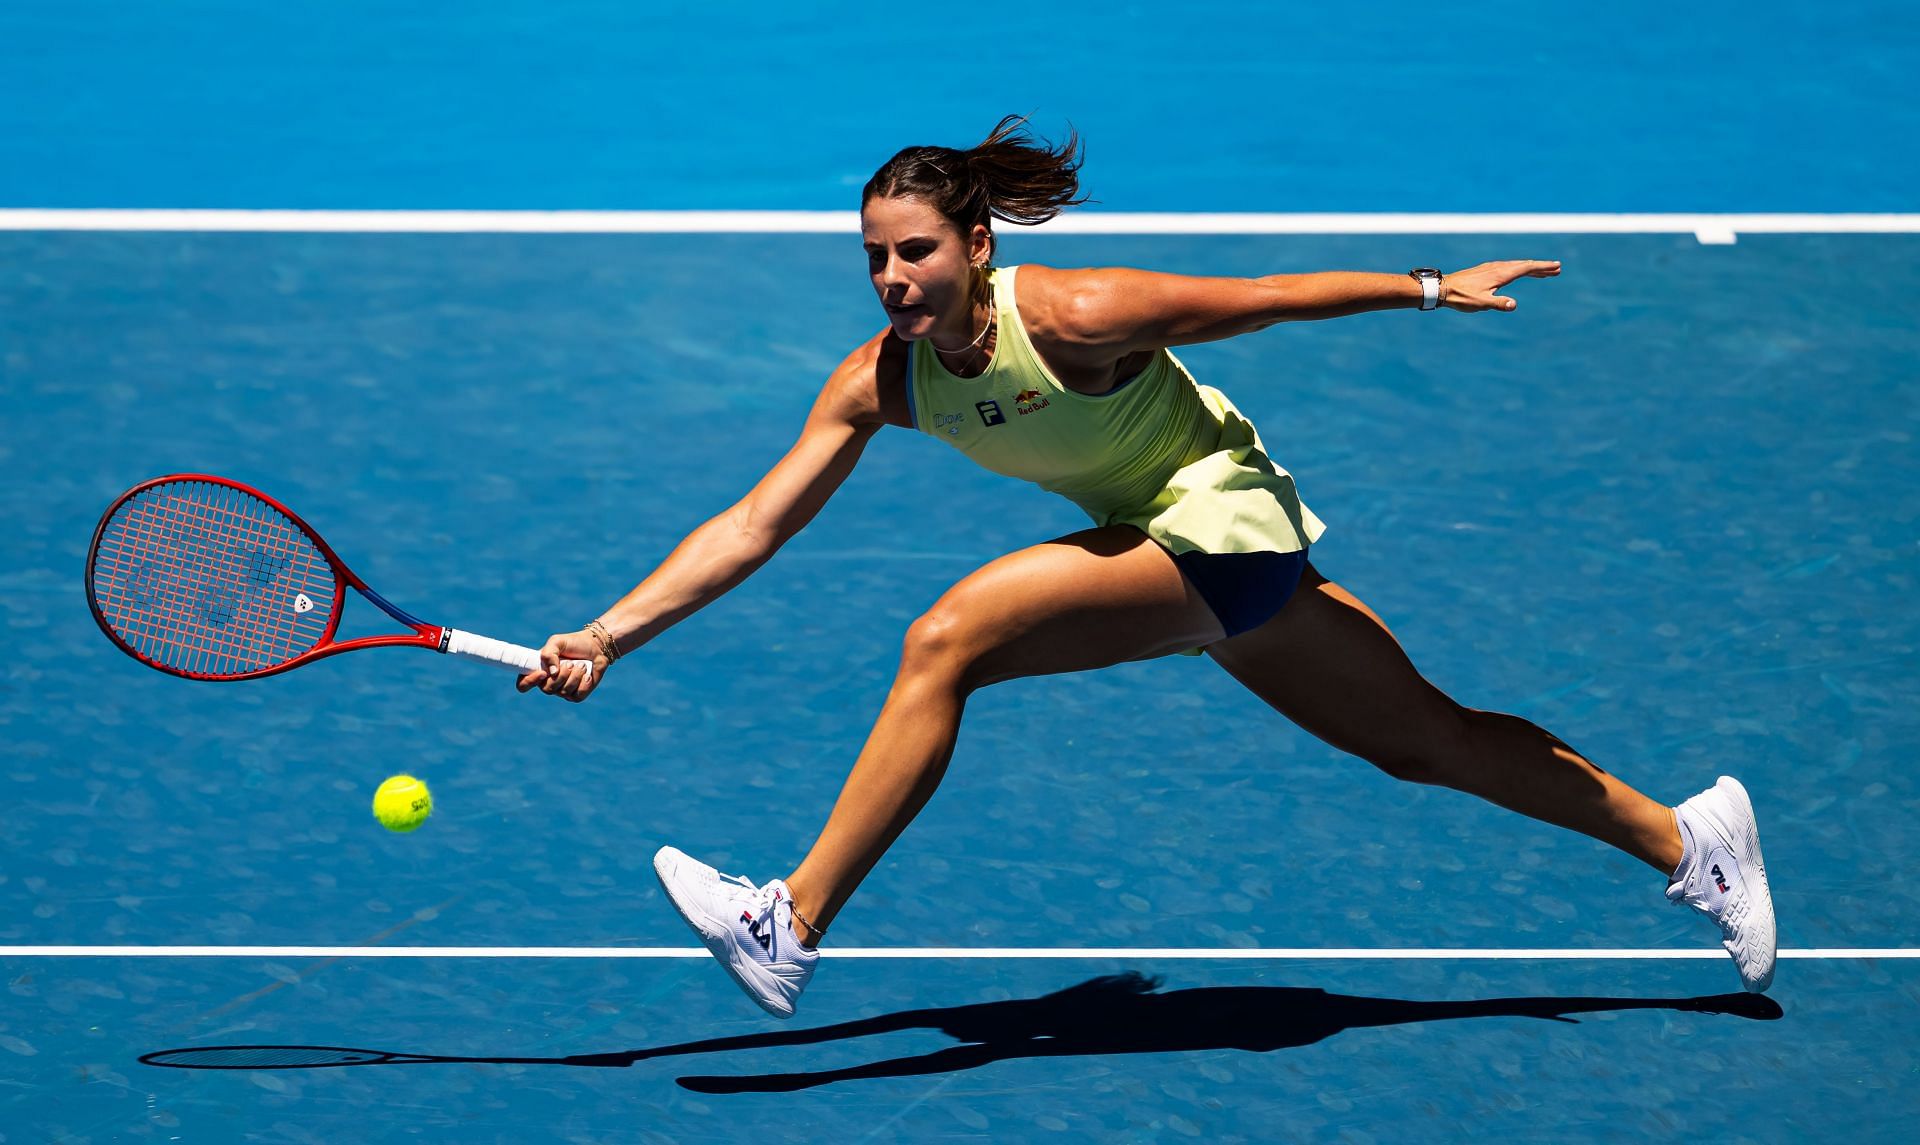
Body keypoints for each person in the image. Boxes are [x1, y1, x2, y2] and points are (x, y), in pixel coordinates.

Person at [518, 116, 1776, 1017]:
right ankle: (1695, 840)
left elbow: (1265, 296)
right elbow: (755, 521)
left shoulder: (1075, 316)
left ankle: (789, 920)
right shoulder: (881, 380)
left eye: (917, 250)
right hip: (1201, 564)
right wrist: (609, 633)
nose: (894, 277)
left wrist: (1434, 288)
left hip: (1223, 525)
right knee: (1429, 741)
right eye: (874, 256)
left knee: (949, 635)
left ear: (978, 245)